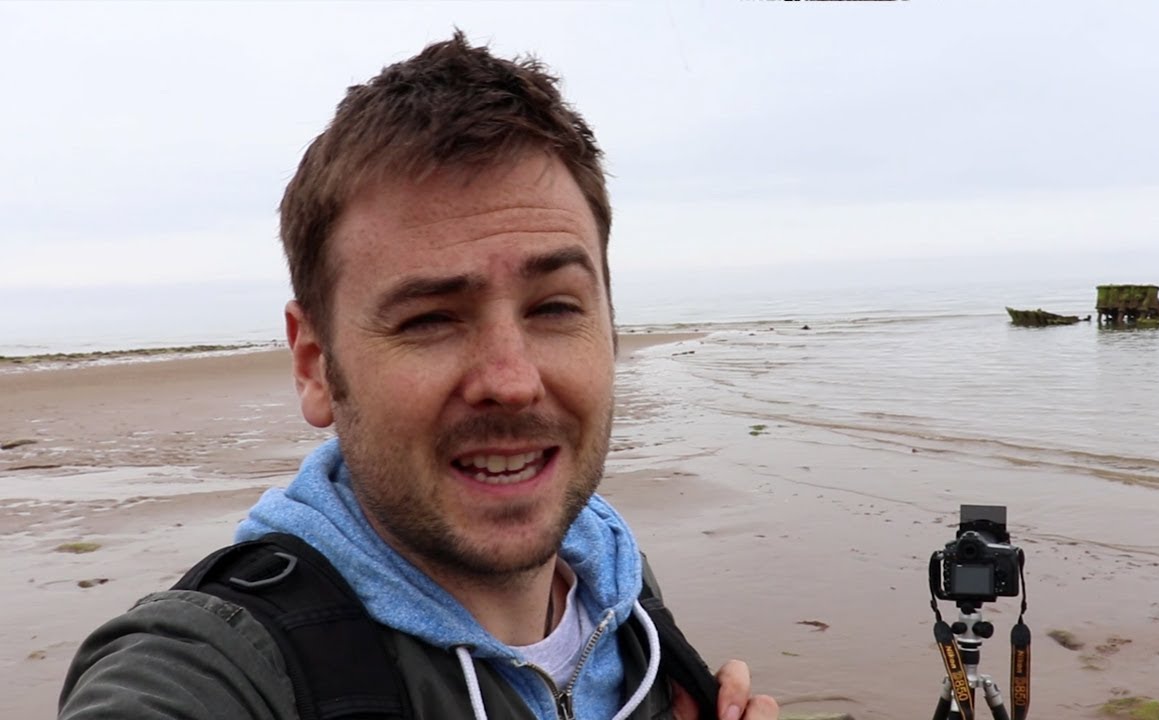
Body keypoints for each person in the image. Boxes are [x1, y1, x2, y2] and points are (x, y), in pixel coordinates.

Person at [58, 32, 778, 720]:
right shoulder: (226, 665)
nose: (512, 380)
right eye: (430, 318)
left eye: (555, 307)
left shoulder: (621, 593)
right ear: (315, 364)